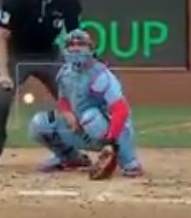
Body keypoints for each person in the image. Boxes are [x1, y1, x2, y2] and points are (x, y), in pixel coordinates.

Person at [0, 0, 83, 169]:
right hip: (17, 52)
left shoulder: (67, 0)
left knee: (76, 97)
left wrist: (80, 68)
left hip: (49, 53)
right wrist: (4, 74)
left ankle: (73, 152)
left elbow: (75, 36)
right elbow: (1, 38)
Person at [28, 29, 143, 176]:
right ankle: (70, 158)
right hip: (80, 129)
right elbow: (63, 100)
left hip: (106, 130)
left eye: (81, 44)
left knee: (91, 117)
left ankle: (127, 161)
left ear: (90, 49)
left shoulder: (101, 75)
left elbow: (121, 110)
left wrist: (111, 141)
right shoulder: (65, 74)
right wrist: (68, 114)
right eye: (71, 44)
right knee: (40, 123)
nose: (75, 48)